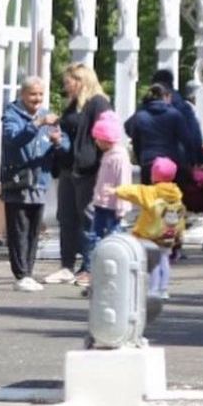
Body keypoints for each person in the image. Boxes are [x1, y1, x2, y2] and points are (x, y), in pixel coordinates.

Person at [0, 78, 68, 292]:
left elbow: (65, 144)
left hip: (40, 180)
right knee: (19, 229)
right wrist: (36, 124)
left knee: (33, 231)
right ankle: (21, 275)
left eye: (40, 94)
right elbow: (12, 139)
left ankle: (28, 272)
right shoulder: (11, 114)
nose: (37, 99)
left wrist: (59, 142)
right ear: (22, 94)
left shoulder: (48, 116)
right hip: (18, 181)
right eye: (32, 94)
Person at [46, 64, 111, 286]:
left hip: (88, 169)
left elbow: (105, 135)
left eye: (69, 82)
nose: (65, 86)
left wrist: (98, 162)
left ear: (81, 81)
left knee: (88, 218)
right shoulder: (73, 104)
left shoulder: (98, 103)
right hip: (68, 167)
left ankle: (90, 267)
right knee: (66, 217)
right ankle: (66, 266)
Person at [114, 156, 185, 300]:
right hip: (168, 234)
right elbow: (180, 215)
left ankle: (153, 289)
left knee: (153, 263)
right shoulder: (176, 193)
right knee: (164, 260)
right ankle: (163, 289)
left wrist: (115, 190)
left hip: (151, 235)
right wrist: (180, 234)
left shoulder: (151, 192)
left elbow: (133, 191)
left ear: (154, 175)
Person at [83, 110, 133, 288]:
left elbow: (123, 182)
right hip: (102, 203)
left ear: (105, 139)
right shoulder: (109, 154)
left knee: (113, 239)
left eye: (98, 139)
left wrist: (122, 206)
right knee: (95, 238)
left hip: (113, 206)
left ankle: (113, 274)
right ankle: (94, 274)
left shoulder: (118, 157)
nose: (96, 142)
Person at [125, 82, 193, 184]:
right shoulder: (175, 115)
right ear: (165, 97)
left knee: (148, 193)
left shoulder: (140, 115)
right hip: (170, 164)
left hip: (148, 162)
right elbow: (186, 139)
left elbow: (128, 129)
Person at [150, 69, 203, 179]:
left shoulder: (146, 108)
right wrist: (198, 159)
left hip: (153, 164)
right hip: (180, 162)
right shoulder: (184, 108)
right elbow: (194, 135)